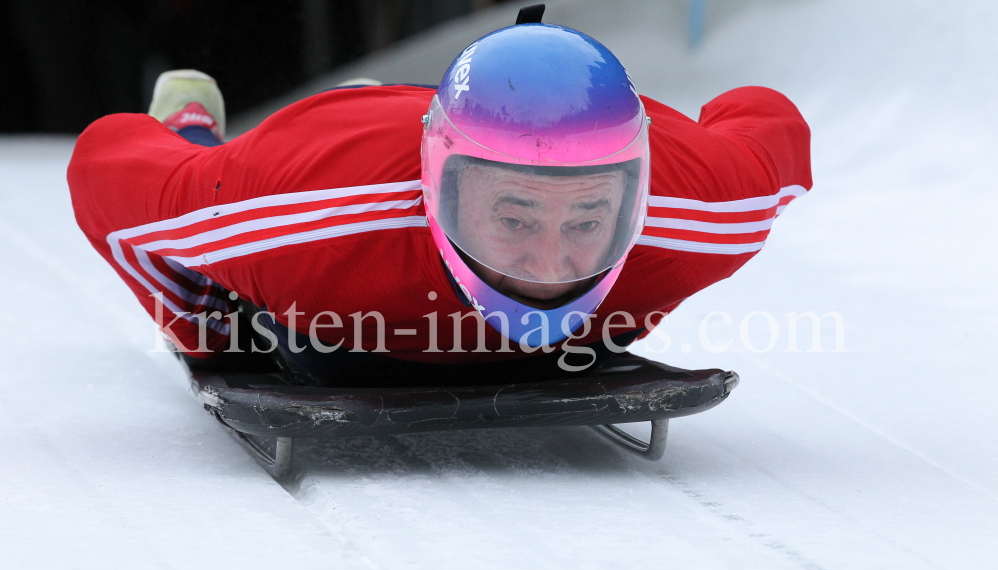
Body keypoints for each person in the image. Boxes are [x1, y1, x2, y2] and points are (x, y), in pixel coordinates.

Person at [67, 19, 811, 386]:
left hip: (536, 116)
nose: (549, 266)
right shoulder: (298, 213)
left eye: (587, 220)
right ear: (440, 191)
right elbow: (110, 174)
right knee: (204, 182)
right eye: (516, 217)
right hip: (348, 145)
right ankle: (195, 119)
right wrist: (211, 330)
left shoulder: (707, 210)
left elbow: (764, 119)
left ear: (635, 194)